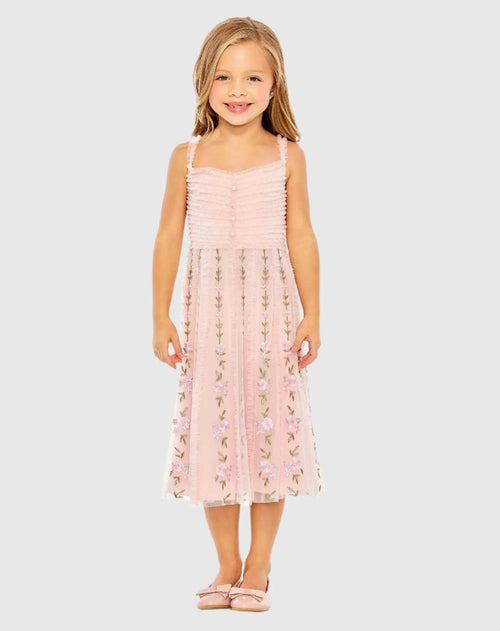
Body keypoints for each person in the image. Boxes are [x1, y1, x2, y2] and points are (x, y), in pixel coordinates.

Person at [152, 16, 323, 612]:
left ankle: (260, 564)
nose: (238, 89)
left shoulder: (287, 155)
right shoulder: (187, 157)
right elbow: (168, 235)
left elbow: (301, 234)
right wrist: (160, 316)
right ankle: (226, 562)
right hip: (211, 319)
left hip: (272, 316)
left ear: (274, 86)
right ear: (204, 82)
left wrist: (312, 313)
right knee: (214, 432)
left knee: (270, 433)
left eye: (253, 77)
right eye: (223, 76)